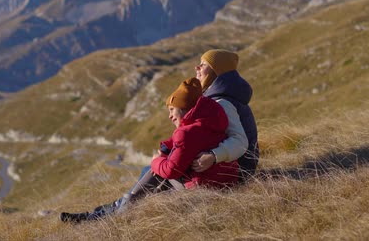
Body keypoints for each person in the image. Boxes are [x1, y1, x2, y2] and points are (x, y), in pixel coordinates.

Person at [60, 77, 239, 222]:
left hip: (202, 190)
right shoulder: (212, 120)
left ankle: (112, 214)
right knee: (151, 178)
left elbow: (171, 170)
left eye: (172, 109)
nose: (169, 115)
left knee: (155, 172)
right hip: (223, 183)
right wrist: (167, 146)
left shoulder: (187, 132)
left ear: (185, 109)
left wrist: (156, 159)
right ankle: (105, 212)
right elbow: (189, 140)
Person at [191, 49, 259, 181]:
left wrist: (213, 156)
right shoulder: (223, 99)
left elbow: (240, 141)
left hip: (234, 172)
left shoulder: (222, 102)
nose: (197, 67)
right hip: (232, 167)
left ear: (217, 71)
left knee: (160, 169)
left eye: (203, 64)